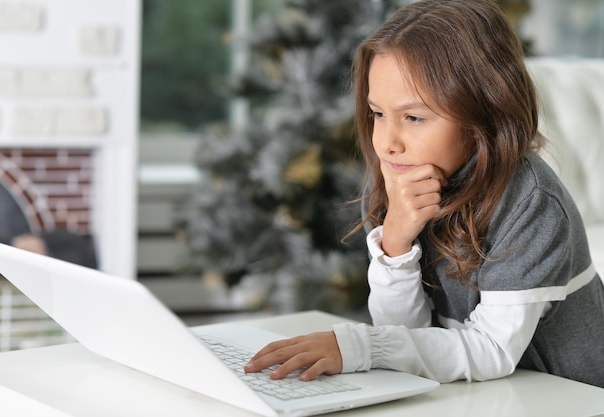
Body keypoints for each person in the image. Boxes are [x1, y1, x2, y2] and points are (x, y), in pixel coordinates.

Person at [244, 0, 604, 388]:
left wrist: (357, 346)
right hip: (478, 393)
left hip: (565, 393)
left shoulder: (531, 203)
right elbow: (405, 334)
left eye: (414, 117)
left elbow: (492, 351)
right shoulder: (400, 179)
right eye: (378, 114)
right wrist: (395, 241)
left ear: (485, 113)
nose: (387, 142)